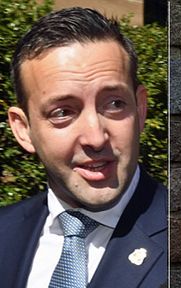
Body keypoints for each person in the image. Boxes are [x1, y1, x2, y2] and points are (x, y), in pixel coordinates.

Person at [0, 7, 167, 288]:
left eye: (114, 104)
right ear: (23, 129)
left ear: (140, 108)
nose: (95, 137)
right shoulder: (5, 232)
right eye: (63, 112)